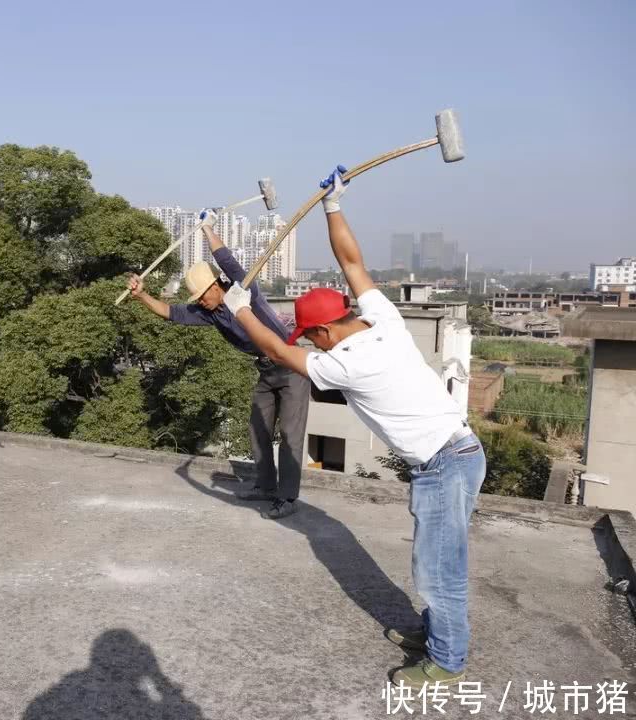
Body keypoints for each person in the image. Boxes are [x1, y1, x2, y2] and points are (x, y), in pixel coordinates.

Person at [220, 166, 486, 686]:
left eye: (310, 336)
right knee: (433, 558)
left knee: (438, 570)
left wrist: (240, 310)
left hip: (444, 463)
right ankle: (435, 635)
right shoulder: (382, 318)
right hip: (452, 454)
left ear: (323, 329)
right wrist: (333, 205)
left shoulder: (344, 362)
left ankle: (447, 661)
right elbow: (352, 261)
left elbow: (276, 349)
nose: (311, 343)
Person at [128, 212, 310, 519]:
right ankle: (265, 486)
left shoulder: (243, 290)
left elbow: (225, 258)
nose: (199, 301)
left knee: (290, 435)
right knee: (258, 427)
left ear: (216, 286)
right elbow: (170, 313)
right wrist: (141, 294)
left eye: (201, 295)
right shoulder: (207, 313)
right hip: (265, 369)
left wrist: (208, 229)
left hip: (291, 364)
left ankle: (287, 498)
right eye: (196, 298)